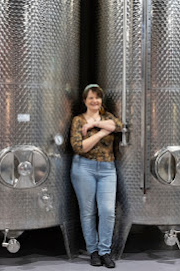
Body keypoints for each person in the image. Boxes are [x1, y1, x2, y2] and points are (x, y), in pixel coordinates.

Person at [70, 84, 122, 268]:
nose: (94, 101)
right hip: (84, 168)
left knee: (107, 211)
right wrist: (102, 132)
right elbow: (80, 147)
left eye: (97, 97)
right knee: (88, 212)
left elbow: (118, 125)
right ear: (85, 101)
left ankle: (105, 251)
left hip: (108, 169)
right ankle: (93, 251)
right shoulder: (77, 120)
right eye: (90, 98)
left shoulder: (107, 117)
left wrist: (94, 125)